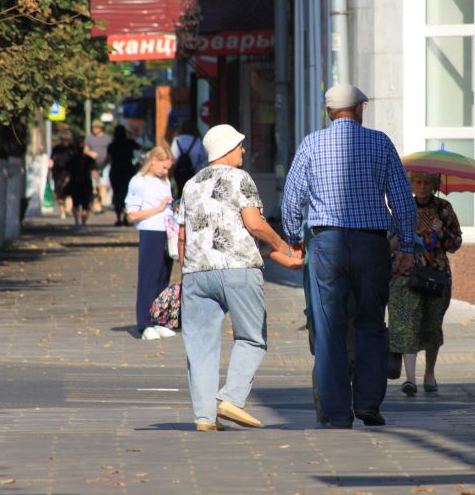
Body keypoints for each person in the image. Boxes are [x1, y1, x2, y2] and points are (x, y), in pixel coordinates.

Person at [282, 84, 417, 429]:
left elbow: (292, 198)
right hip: (372, 245)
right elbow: (402, 199)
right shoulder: (380, 142)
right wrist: (407, 247)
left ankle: (338, 413)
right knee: (371, 324)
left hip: (326, 244)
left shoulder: (311, 144)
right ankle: (369, 403)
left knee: (329, 330)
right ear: (360, 109)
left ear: (329, 112)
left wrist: (295, 239)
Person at [178, 124, 302, 432]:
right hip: (238, 270)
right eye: (239, 146)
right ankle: (232, 399)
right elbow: (255, 224)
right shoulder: (239, 178)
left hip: (196, 274)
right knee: (251, 338)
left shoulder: (190, 184)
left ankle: (205, 418)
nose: (244, 151)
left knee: (200, 348)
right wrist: (283, 248)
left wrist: (185, 273)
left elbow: (181, 236)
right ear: (226, 149)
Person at [388, 171, 462, 396]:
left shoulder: (444, 208)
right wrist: (407, 234)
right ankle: (410, 379)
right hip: (405, 274)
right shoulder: (402, 209)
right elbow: (389, 243)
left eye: (427, 182)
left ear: (434, 184)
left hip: (435, 276)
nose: (421, 186)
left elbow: (455, 243)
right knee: (406, 324)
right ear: (411, 184)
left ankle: (429, 373)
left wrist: (441, 231)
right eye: (417, 181)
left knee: (431, 325)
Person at [125, 145, 175, 338]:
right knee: (148, 277)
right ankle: (145, 323)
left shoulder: (165, 181)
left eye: (168, 168)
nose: (165, 171)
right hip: (150, 231)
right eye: (163, 167)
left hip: (166, 230)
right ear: (153, 161)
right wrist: (159, 208)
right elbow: (132, 214)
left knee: (163, 276)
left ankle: (160, 319)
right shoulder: (139, 181)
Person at [107, 124, 141, 226]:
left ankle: (118, 217)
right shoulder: (129, 143)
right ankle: (126, 217)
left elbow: (108, 158)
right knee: (127, 193)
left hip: (116, 170)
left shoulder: (112, 145)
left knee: (117, 193)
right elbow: (139, 147)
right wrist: (130, 136)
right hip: (128, 170)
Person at [65, 137, 97, 226]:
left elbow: (66, 172)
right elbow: (94, 173)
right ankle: (83, 222)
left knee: (75, 203)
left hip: (74, 183)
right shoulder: (89, 159)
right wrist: (97, 184)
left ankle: (76, 221)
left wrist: (62, 183)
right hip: (86, 183)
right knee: (85, 204)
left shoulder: (71, 160)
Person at [170, 119, 207, 194]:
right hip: (193, 173)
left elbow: (172, 157)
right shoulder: (197, 140)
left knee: (179, 193)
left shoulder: (176, 140)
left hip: (178, 173)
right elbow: (204, 157)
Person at [86, 120, 112, 212]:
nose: (95, 129)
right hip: (92, 165)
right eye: (94, 127)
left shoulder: (107, 138)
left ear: (101, 128)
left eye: (97, 127)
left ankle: (103, 203)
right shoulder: (89, 138)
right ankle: (95, 204)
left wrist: (108, 158)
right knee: (94, 185)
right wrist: (90, 153)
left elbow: (111, 151)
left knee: (103, 184)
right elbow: (85, 150)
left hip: (105, 165)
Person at [49, 129, 75, 219]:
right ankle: (62, 211)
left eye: (67, 138)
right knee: (59, 191)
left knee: (69, 190)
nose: (65, 140)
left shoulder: (72, 148)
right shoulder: (56, 148)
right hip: (57, 172)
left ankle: (68, 208)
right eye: (63, 138)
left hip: (70, 172)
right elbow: (51, 160)